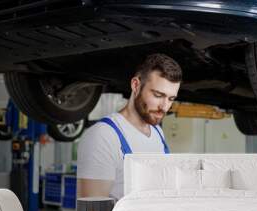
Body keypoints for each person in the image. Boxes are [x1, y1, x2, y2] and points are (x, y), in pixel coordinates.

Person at [77, 53, 182, 200]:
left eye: (171, 99)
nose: (164, 107)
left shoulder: (158, 132)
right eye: (158, 95)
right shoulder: (103, 136)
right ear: (136, 85)